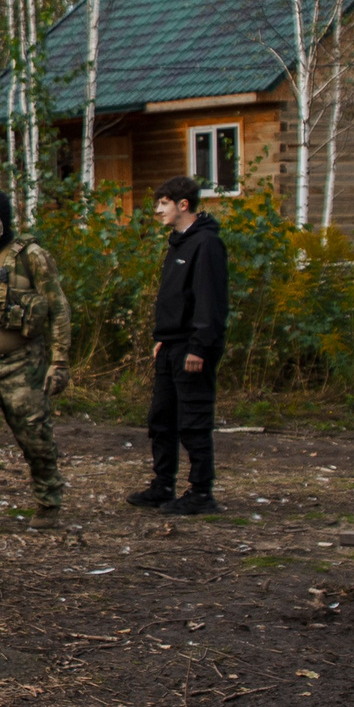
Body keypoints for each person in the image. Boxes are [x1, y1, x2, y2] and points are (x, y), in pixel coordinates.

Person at [127, 174, 229, 516]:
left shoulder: (206, 244)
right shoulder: (178, 243)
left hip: (193, 347)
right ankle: (162, 485)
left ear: (183, 205)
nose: (158, 211)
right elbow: (174, 298)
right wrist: (162, 338)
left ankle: (201, 492)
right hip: (170, 345)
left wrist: (199, 347)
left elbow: (209, 301)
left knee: (193, 421)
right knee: (162, 418)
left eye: (163, 203)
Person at [0, 185, 72, 528]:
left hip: (22, 364)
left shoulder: (31, 256)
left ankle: (48, 501)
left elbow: (58, 308)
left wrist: (59, 362)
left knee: (35, 439)